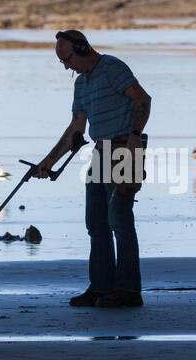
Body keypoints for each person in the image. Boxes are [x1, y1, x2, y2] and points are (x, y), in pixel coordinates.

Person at [35, 29, 152, 308]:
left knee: (120, 219)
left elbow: (143, 100)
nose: (67, 66)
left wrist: (135, 137)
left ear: (83, 49)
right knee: (96, 222)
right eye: (62, 62)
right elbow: (76, 127)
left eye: (68, 58)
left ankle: (128, 291)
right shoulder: (82, 85)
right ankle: (101, 287)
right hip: (100, 152)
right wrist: (48, 163)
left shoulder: (113, 68)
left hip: (125, 147)